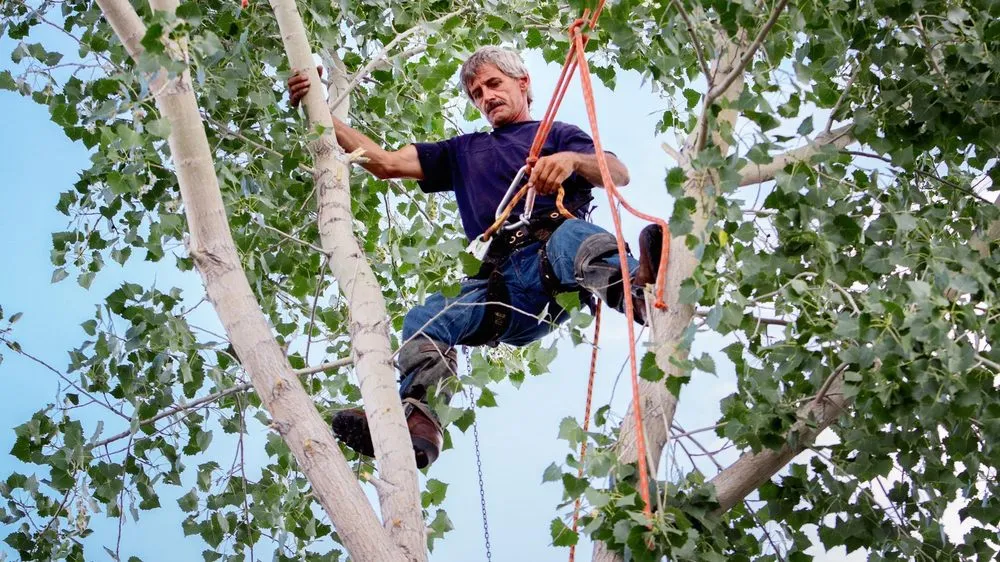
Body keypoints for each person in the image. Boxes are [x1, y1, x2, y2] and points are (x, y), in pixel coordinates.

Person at [288, 46, 662, 469]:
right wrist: (318, 108)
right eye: (477, 93)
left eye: (494, 84)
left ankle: (639, 291)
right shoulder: (462, 152)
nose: (486, 96)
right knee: (426, 320)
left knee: (572, 235)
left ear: (523, 83)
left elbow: (618, 174)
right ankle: (419, 423)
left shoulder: (556, 134)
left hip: (556, 265)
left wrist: (570, 160)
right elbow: (385, 163)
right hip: (499, 286)